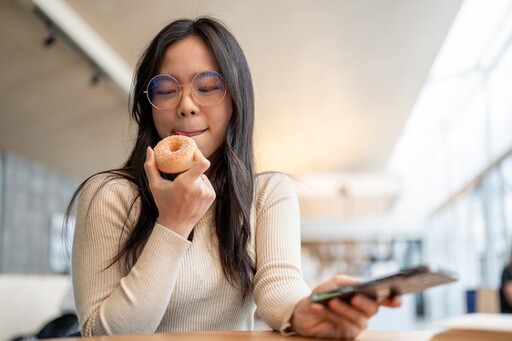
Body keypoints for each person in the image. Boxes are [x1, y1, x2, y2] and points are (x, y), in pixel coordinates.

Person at [65, 16, 400, 339]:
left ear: (236, 101)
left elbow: (278, 285)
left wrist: (306, 310)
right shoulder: (109, 195)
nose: (186, 105)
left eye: (208, 87)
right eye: (166, 89)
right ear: (148, 106)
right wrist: (173, 225)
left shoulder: (268, 194)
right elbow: (100, 333)